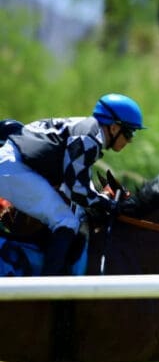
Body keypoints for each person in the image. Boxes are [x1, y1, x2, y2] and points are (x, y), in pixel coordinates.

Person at [0, 93, 145, 275]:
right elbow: (76, 190)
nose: (130, 140)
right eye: (129, 132)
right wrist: (108, 204)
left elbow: (79, 183)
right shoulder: (89, 137)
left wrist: (101, 200)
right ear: (114, 128)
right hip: (13, 167)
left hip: (14, 164)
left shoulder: (88, 132)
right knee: (66, 220)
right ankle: (47, 287)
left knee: (70, 216)